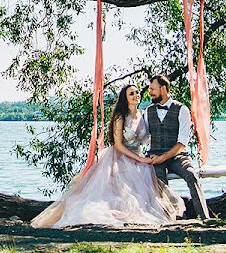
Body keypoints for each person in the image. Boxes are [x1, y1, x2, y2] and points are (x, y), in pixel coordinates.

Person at [30, 84, 184, 228]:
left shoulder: (143, 114)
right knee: (117, 187)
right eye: (132, 93)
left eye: (137, 92)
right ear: (125, 98)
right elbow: (119, 145)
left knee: (146, 183)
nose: (136, 95)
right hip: (120, 157)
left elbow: (147, 137)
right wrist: (140, 159)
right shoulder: (120, 117)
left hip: (138, 156)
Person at [146, 74, 211, 220]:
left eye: (152, 89)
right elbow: (143, 137)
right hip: (154, 155)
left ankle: (205, 217)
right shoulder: (148, 111)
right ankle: (168, 219)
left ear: (163, 89)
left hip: (177, 156)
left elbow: (182, 143)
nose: (150, 92)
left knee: (191, 175)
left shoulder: (182, 110)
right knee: (158, 181)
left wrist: (162, 158)